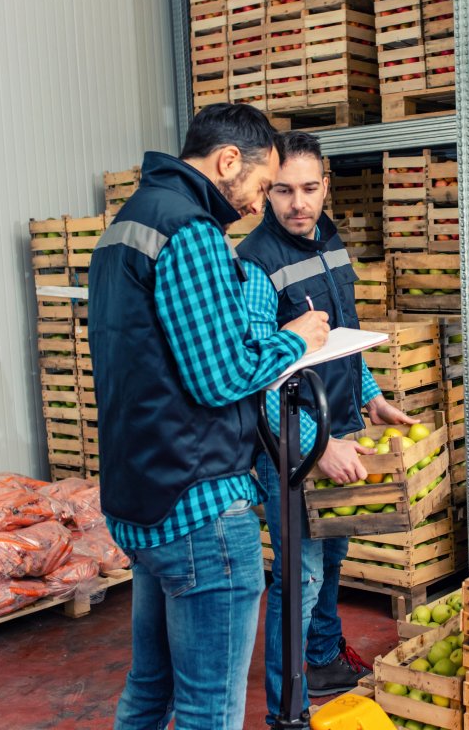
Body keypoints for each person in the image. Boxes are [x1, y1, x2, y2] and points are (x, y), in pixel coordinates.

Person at [88, 104, 330, 730]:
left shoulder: (126, 225)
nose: (257, 204)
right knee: (209, 709)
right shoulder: (190, 232)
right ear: (227, 162)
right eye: (259, 185)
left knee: (148, 690)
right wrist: (296, 340)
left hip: (141, 492)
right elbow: (220, 376)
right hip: (197, 504)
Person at [237, 131, 418, 722]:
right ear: (268, 191)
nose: (298, 203)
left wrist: (372, 399)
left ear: (325, 186)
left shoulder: (331, 243)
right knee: (301, 574)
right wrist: (315, 444)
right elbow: (261, 374)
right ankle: (288, 704)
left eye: (310, 189)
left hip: (340, 428)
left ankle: (321, 659)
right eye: (284, 190)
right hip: (292, 442)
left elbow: (343, 336)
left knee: (333, 557)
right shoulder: (256, 264)